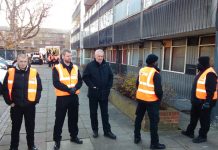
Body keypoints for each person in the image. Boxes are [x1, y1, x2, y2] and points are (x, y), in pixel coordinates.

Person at [2, 54, 42, 150]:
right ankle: (13, 147)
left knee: (30, 128)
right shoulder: (10, 72)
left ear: (27, 61)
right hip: (16, 106)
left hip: (30, 106)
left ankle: (31, 145)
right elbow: (4, 88)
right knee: (15, 128)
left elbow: (39, 88)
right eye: (21, 61)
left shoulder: (34, 72)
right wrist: (9, 102)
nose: (23, 63)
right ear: (17, 61)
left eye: (25, 61)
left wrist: (35, 101)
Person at [181, 56, 217, 143]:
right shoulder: (201, 72)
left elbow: (211, 90)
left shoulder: (210, 73)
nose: (197, 64)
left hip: (205, 102)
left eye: (199, 63)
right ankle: (190, 132)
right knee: (193, 117)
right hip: (197, 100)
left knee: (204, 120)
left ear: (204, 63)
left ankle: (202, 136)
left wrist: (207, 102)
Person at [82, 49, 116, 139]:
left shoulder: (106, 65)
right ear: (95, 56)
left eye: (102, 56)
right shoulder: (90, 66)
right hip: (93, 94)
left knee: (105, 113)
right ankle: (95, 130)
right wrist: (92, 86)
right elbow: (85, 77)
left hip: (104, 94)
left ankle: (107, 131)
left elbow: (111, 77)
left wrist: (108, 87)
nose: (100, 58)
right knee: (93, 113)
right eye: (99, 56)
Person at [52, 49, 83, 150]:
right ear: (62, 57)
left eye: (70, 56)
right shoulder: (57, 68)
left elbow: (80, 81)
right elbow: (56, 83)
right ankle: (57, 141)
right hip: (62, 98)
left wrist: (75, 88)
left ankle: (74, 137)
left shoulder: (75, 67)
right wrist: (69, 89)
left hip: (74, 97)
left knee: (73, 119)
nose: (69, 58)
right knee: (59, 120)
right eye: (67, 56)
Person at [134, 54, 166, 149]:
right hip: (152, 101)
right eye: (157, 61)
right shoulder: (155, 73)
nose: (157, 63)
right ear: (154, 62)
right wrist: (159, 100)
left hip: (141, 99)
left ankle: (137, 137)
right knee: (154, 122)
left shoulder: (142, 70)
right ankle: (154, 144)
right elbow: (158, 91)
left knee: (138, 118)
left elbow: (137, 84)